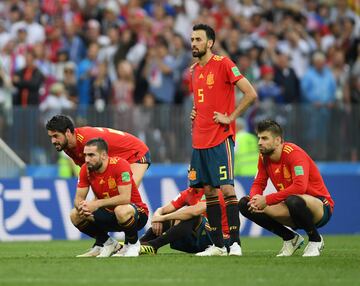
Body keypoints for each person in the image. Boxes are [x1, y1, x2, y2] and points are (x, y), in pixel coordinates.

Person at [188, 23, 257, 256]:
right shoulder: (194, 71)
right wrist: (194, 113)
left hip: (220, 137)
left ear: (210, 43)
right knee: (209, 192)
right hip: (199, 140)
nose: (194, 44)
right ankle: (217, 246)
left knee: (227, 189)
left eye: (198, 39)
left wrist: (231, 117)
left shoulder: (224, 64)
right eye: (192, 40)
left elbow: (250, 93)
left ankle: (235, 243)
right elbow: (201, 102)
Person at [238, 120, 334, 257]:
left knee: (293, 199)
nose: (259, 142)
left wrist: (267, 199)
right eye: (259, 138)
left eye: (264, 138)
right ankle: (290, 238)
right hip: (290, 206)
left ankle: (315, 240)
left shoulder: (294, 154)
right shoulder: (264, 157)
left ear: (277, 140)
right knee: (245, 204)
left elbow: (300, 187)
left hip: (319, 207)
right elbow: (259, 182)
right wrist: (255, 198)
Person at [71, 138, 148, 257]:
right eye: (85, 155)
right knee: (75, 215)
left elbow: (125, 198)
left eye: (91, 155)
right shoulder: (85, 170)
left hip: (136, 213)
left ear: (103, 155)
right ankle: (108, 243)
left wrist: (96, 204)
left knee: (121, 210)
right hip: (109, 215)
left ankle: (133, 245)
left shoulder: (120, 165)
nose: (87, 159)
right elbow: (78, 199)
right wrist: (82, 207)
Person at [46, 114, 150, 187]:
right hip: (119, 159)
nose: (53, 141)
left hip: (135, 153)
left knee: (127, 194)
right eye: (51, 137)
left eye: (56, 136)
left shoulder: (87, 142)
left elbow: (103, 170)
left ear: (68, 132)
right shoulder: (67, 146)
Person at [139, 187, 229, 254]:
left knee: (192, 216)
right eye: (190, 172)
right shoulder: (189, 192)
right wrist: (157, 218)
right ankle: (138, 244)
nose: (191, 176)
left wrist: (163, 217)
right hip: (200, 241)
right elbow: (162, 209)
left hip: (221, 240)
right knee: (168, 219)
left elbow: (195, 211)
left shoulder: (214, 191)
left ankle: (153, 245)